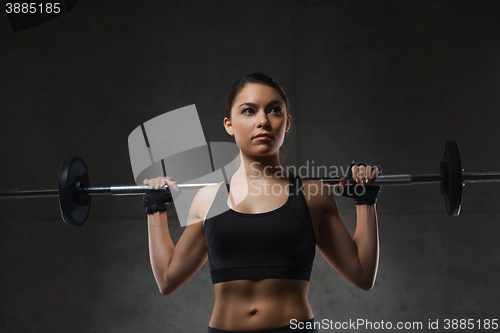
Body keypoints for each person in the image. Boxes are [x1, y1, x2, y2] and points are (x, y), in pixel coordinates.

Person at [143, 73, 381, 333]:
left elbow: (362, 275)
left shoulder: (314, 195)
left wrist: (365, 199)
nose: (263, 121)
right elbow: (167, 280)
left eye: (274, 110)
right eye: (248, 111)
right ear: (229, 124)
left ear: (287, 122)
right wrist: (155, 207)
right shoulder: (208, 198)